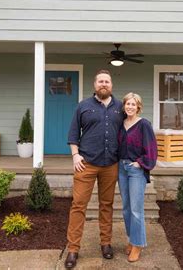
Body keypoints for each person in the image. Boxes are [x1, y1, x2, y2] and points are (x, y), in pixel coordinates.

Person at [64, 69, 124, 269]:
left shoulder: (121, 107)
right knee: (78, 205)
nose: (104, 84)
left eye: (107, 81)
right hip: (86, 163)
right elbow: (73, 133)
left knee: (106, 205)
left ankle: (106, 243)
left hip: (111, 164)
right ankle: (73, 249)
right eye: (100, 81)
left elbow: (130, 130)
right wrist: (75, 155)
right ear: (94, 84)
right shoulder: (83, 106)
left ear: (111, 85)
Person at [117, 92, 157, 263]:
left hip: (135, 170)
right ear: (124, 106)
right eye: (128, 104)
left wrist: (140, 163)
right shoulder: (121, 124)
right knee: (126, 208)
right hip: (121, 168)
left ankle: (138, 244)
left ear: (138, 107)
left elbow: (152, 149)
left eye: (133, 104)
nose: (130, 107)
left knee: (136, 209)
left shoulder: (144, 125)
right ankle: (131, 239)